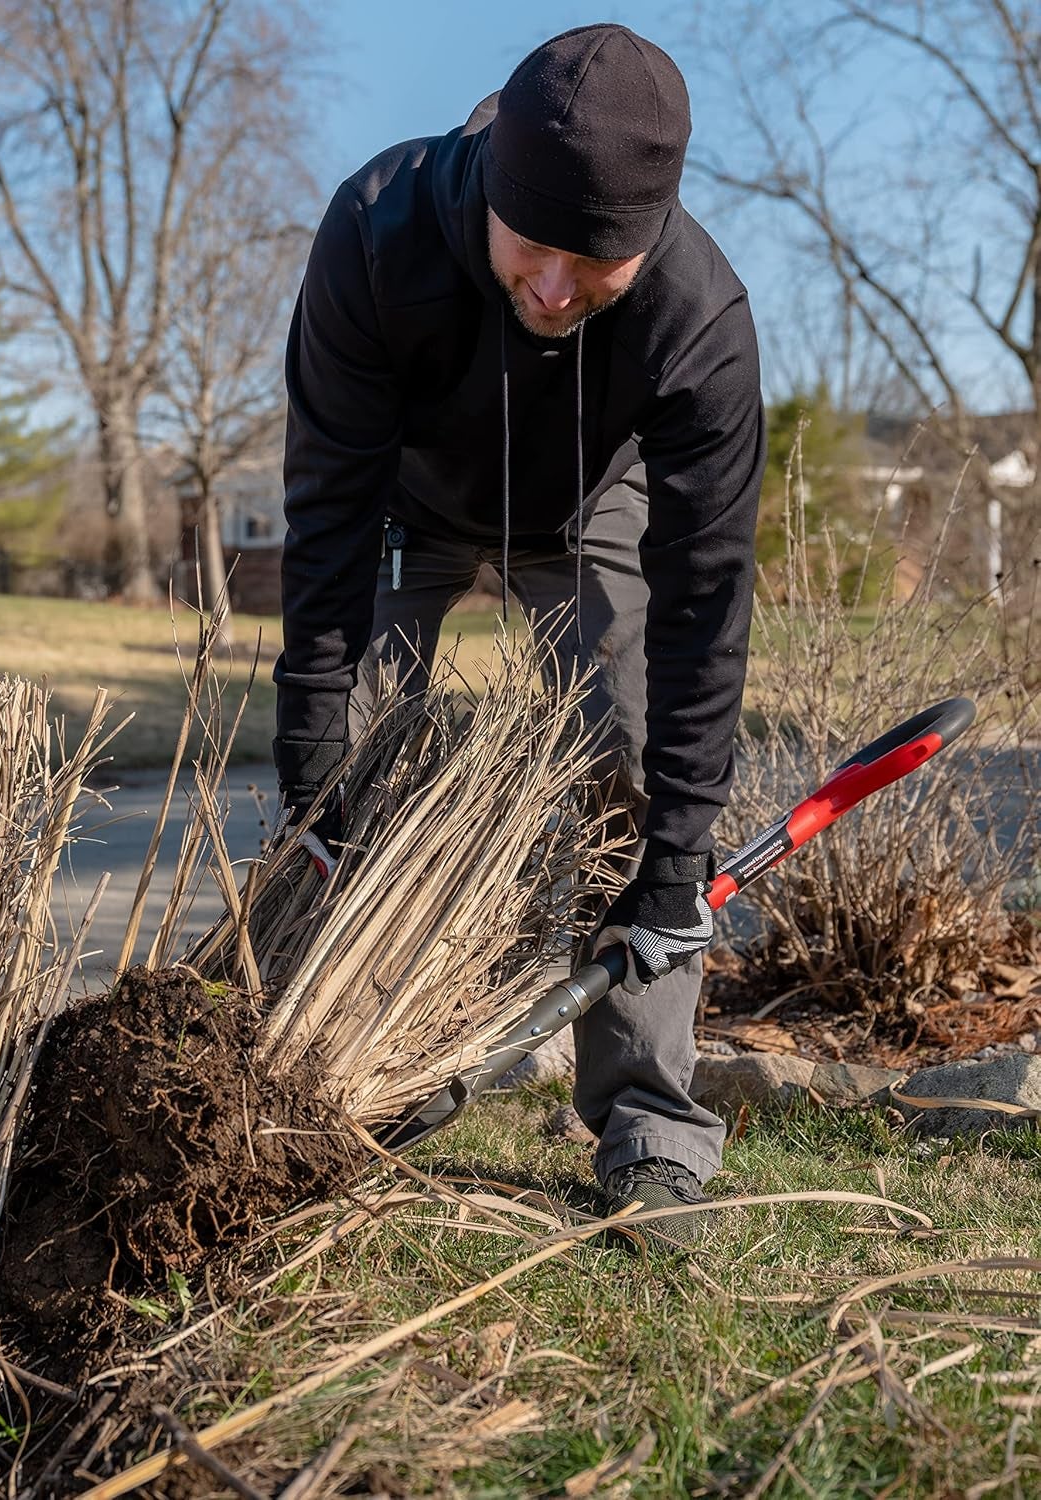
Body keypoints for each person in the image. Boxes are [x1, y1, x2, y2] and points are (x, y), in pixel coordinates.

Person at [272, 23, 766, 1246]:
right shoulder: (377, 233)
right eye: (534, 249)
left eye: (597, 266)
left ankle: (649, 1127)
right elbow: (326, 518)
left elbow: (704, 610)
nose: (556, 291)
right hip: (403, 500)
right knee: (354, 780)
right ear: (491, 181)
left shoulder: (698, 320)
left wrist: (676, 863)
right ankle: (300, 1081)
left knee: (626, 769)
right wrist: (308, 779)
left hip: (586, 506)